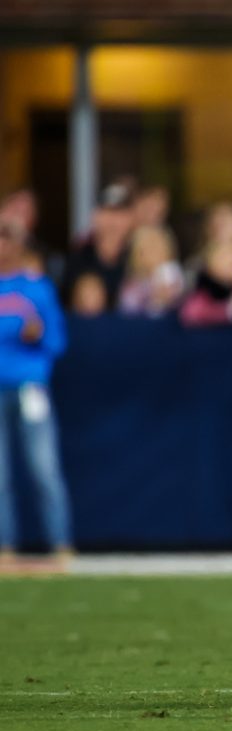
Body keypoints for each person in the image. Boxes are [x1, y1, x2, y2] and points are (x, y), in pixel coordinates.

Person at [0, 219, 72, 561]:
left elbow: (57, 341)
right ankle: (5, 547)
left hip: (30, 387)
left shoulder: (36, 287)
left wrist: (37, 334)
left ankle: (60, 544)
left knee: (44, 469)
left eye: (6, 237)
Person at [61, 183, 136, 312]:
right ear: (96, 216)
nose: (113, 221)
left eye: (120, 214)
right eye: (107, 212)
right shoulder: (79, 257)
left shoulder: (139, 256)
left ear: (131, 218)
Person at [119, 225, 185, 318]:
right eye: (149, 246)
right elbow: (130, 317)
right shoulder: (133, 287)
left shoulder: (178, 277)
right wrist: (157, 302)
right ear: (138, 255)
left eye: (160, 245)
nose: (156, 251)